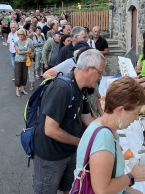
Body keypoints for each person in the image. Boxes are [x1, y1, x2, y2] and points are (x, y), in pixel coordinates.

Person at [32, 49, 105, 194]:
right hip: (50, 156)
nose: (101, 77)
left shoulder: (81, 87)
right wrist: (81, 142)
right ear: (88, 69)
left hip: (70, 152)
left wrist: (106, 134)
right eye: (100, 72)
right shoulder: (62, 87)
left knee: (72, 189)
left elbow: (88, 118)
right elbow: (50, 130)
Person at [74, 76, 145, 194]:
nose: (137, 118)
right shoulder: (104, 138)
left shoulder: (106, 127)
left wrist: (127, 188)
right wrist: (132, 176)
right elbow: (102, 190)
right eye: (135, 113)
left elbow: (109, 175)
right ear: (120, 110)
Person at [14, 29, 31, 97]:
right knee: (18, 75)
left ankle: (22, 89)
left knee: (24, 75)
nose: (21, 36)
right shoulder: (16, 42)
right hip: (18, 61)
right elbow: (18, 52)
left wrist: (24, 52)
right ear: (18, 35)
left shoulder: (27, 42)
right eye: (19, 34)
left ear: (24, 35)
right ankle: (17, 90)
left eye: (22, 34)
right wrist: (26, 52)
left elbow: (29, 51)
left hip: (25, 61)